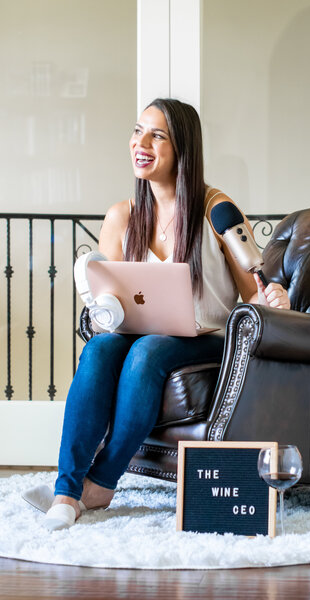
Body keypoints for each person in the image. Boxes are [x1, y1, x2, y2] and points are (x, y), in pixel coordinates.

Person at [23, 98, 290, 530]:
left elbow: (252, 292)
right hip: (141, 332)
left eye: (157, 135)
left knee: (147, 352)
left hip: (207, 337)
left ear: (182, 147)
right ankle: (67, 491)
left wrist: (273, 296)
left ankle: (102, 483)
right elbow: (105, 301)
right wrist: (101, 313)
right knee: (99, 351)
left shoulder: (215, 208)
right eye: (137, 131)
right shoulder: (122, 216)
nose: (140, 143)